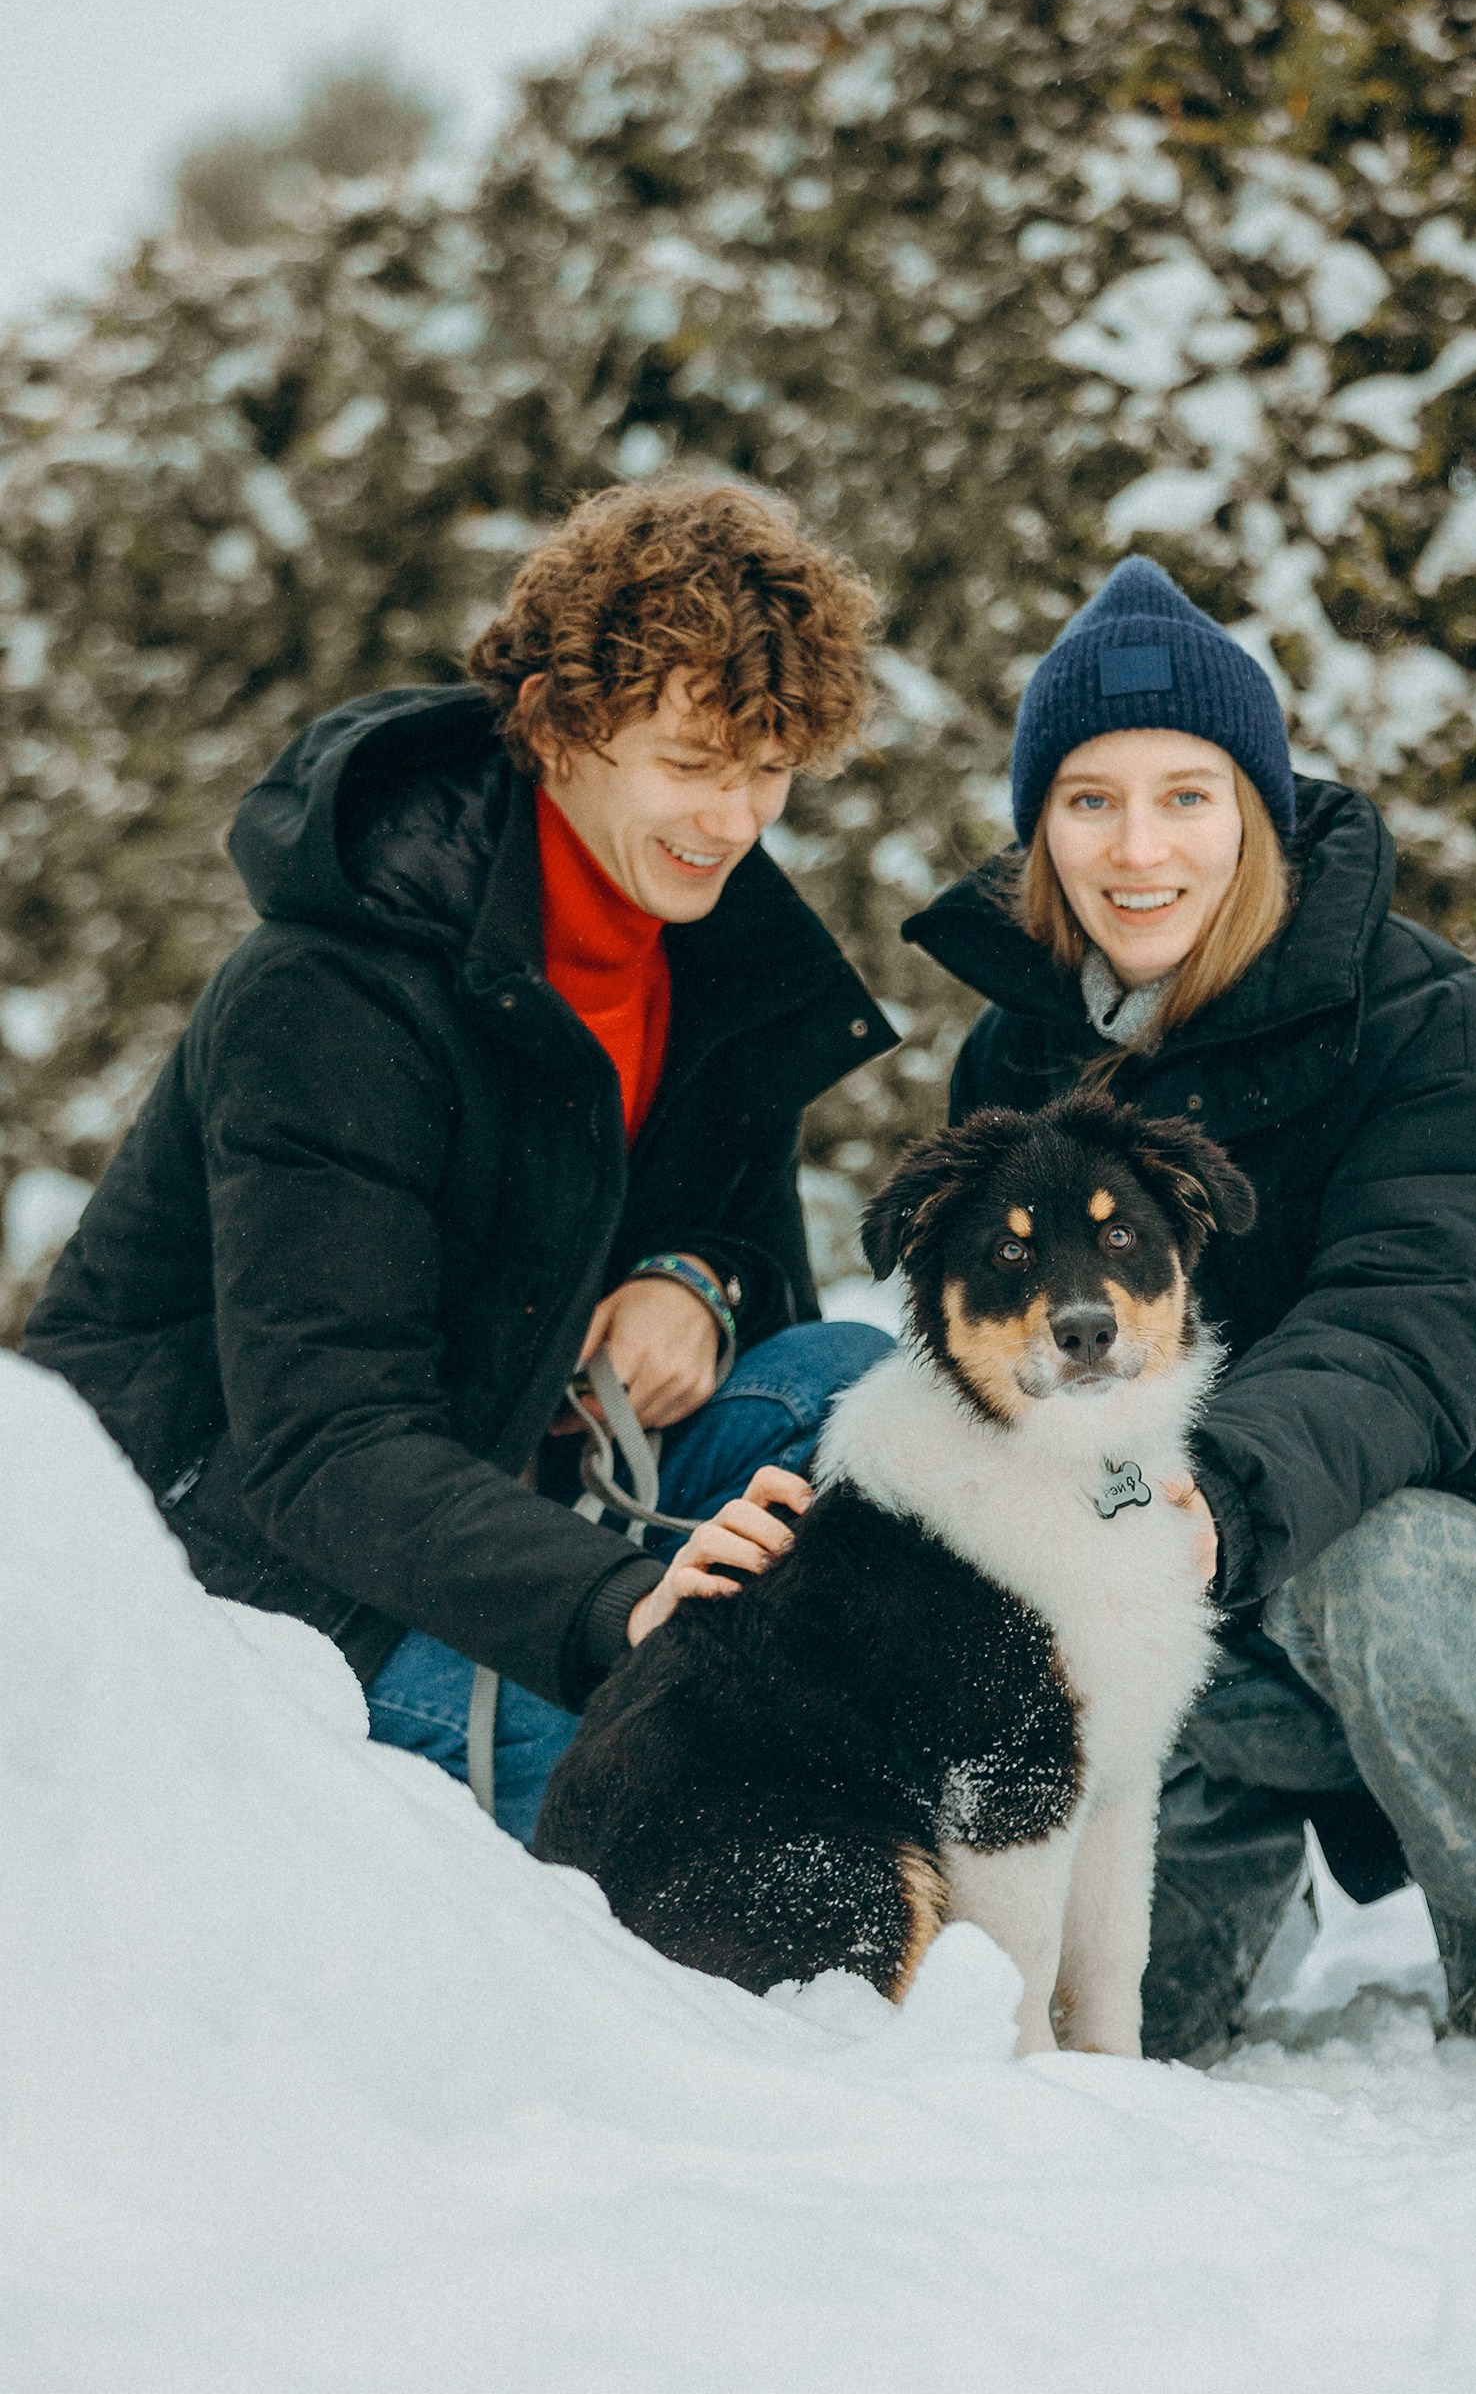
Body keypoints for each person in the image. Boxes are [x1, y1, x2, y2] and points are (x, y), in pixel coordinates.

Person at [901, 556, 1476, 2056]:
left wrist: (1221, 1493)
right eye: (1090, 799)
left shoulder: (1422, 1021)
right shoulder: (1016, 1061)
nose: (1136, 847)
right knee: (1133, 2033)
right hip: (1221, 1574)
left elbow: (1427, 1309)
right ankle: (1212, 1870)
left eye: (1187, 796)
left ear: (1259, 814)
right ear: (1040, 829)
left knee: (1387, 1579)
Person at [27, 481, 899, 1842]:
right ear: (562, 729)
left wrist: (695, 1282)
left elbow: (763, 1281)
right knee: (656, 1734)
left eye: (767, 771)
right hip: (257, 1597)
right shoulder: (333, 990)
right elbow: (321, 1444)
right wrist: (617, 1609)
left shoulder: (720, 971)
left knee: (861, 1402)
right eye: (689, 762)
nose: (731, 822)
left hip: (514, 1521)